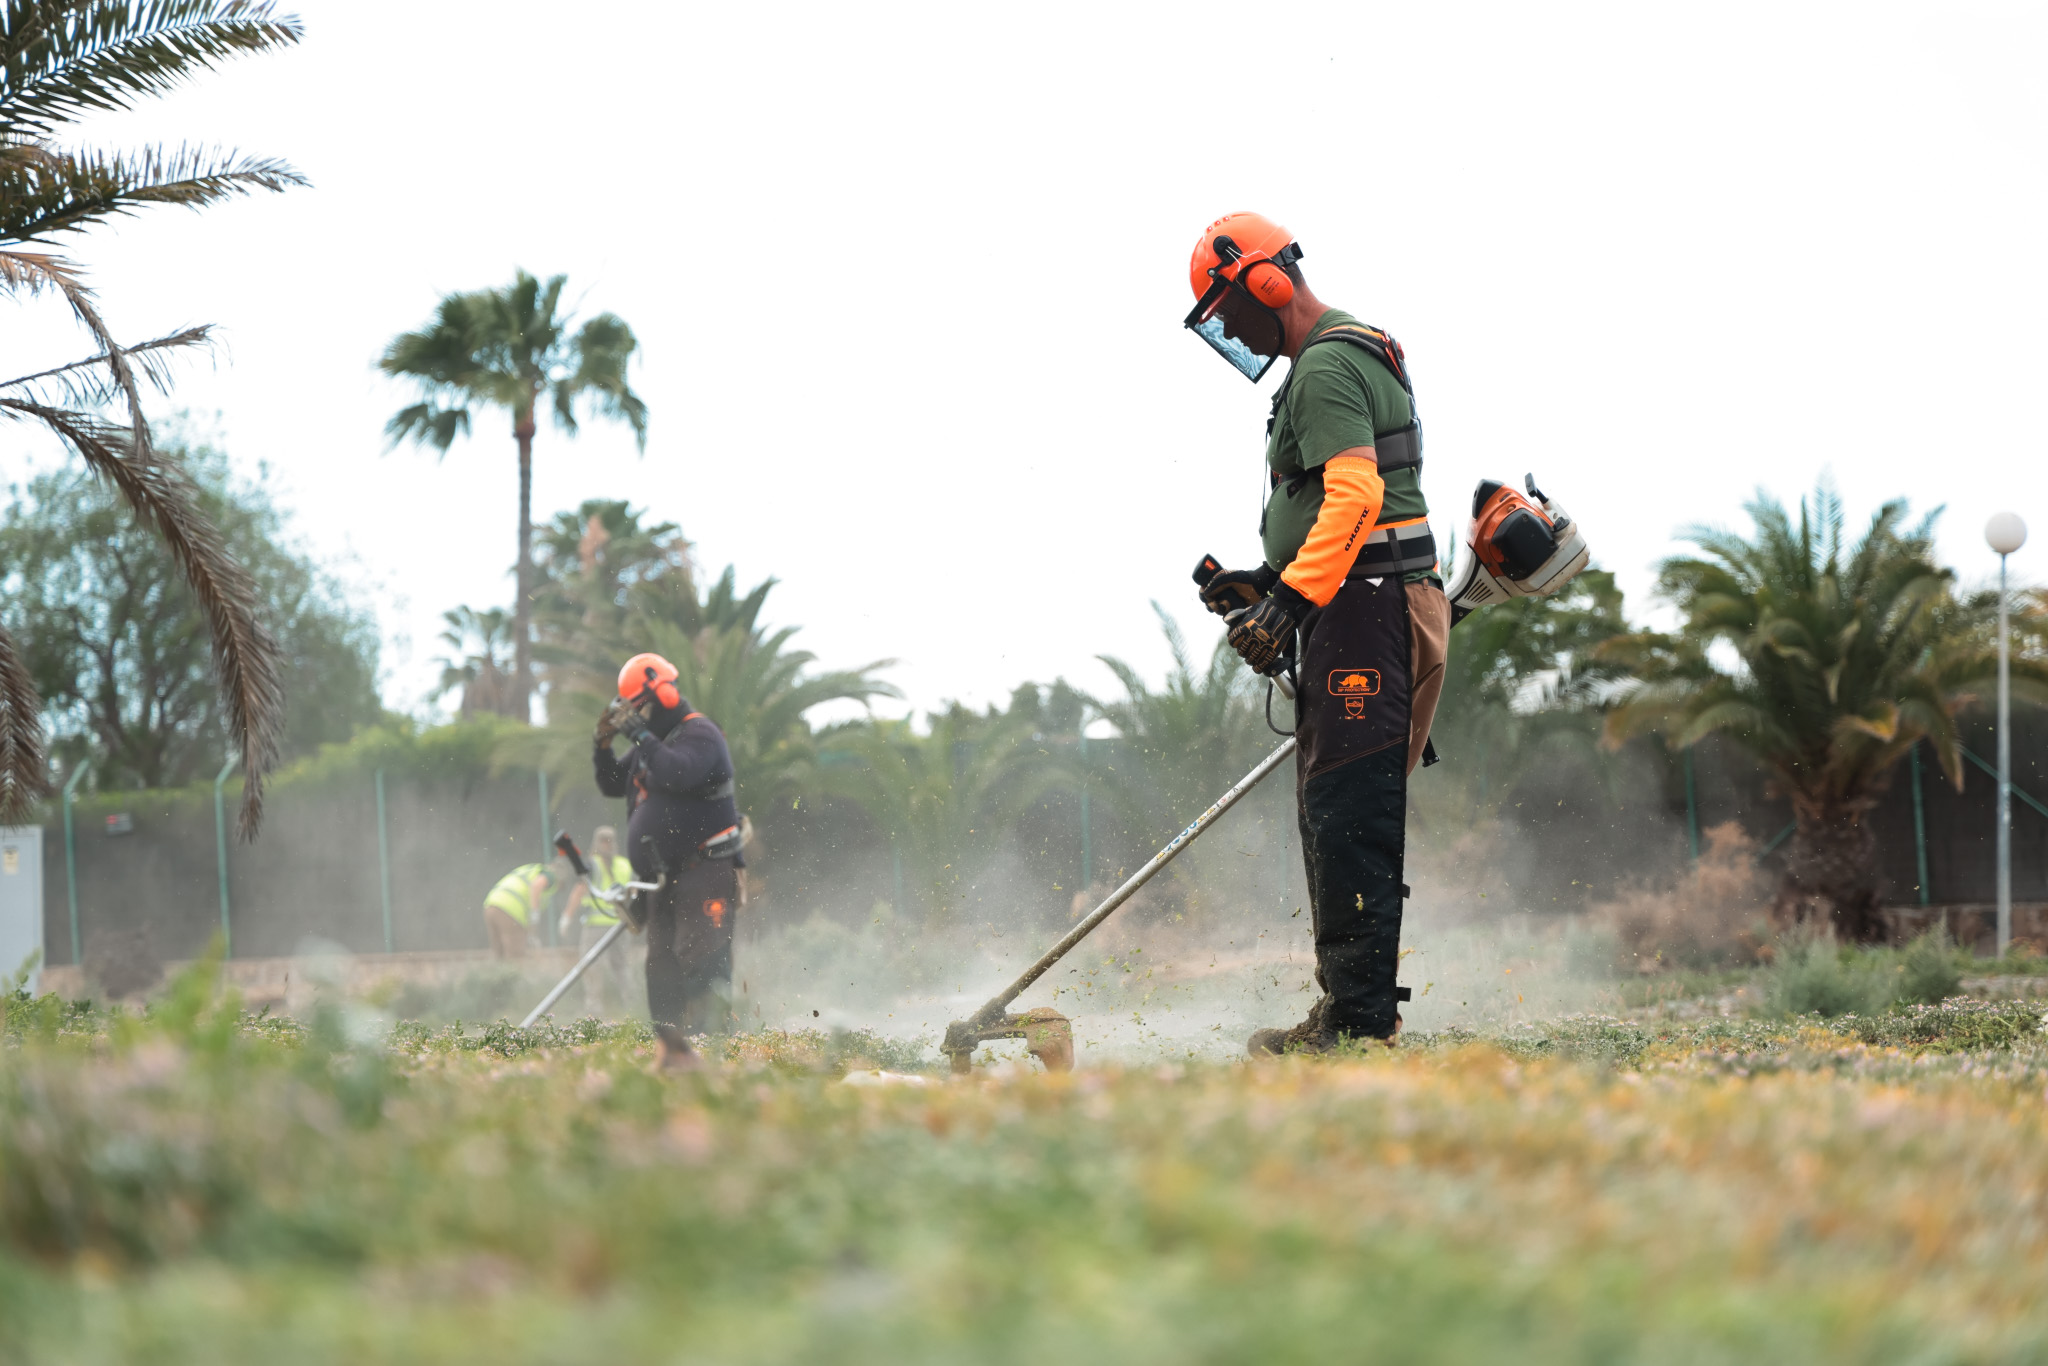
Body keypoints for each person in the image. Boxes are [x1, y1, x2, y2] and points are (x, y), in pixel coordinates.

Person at [1184, 211, 1450, 1055]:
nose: (1231, 332)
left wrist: (1289, 603)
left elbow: (1357, 495)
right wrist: (1269, 585)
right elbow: (1349, 511)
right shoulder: (1338, 356)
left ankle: (1358, 1024)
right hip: (1359, 597)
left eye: (1229, 312)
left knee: (1348, 805)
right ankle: (1351, 1010)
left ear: (1265, 282)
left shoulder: (1329, 364)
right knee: (1336, 802)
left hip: (1365, 606)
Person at [592, 652, 745, 1035]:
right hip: (662, 879)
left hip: (704, 870)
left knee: (703, 959)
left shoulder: (701, 733)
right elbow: (612, 783)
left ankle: (713, 1048)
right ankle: (671, 1049)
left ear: (665, 695)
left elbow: (678, 772)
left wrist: (641, 736)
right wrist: (602, 746)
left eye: (638, 709)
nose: (636, 718)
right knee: (661, 967)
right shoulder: (653, 743)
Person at [558, 825, 638, 1012]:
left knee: (591, 965)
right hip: (620, 925)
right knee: (621, 967)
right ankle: (632, 1005)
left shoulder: (592, 865)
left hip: (596, 926)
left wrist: (566, 917)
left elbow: (579, 890)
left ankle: (594, 1007)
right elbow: (634, 892)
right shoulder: (624, 865)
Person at [482, 862, 555, 959]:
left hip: (491, 904)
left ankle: (499, 969)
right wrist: (535, 915)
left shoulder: (531, 870)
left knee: (499, 953)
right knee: (516, 955)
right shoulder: (550, 875)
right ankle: (513, 969)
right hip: (509, 908)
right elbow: (536, 886)